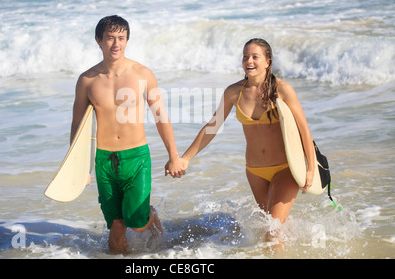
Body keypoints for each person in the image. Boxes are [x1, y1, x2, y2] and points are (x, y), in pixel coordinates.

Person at [173, 38, 315, 236]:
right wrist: (185, 158)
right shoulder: (234, 92)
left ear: (268, 62)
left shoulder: (282, 90)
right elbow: (212, 127)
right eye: (245, 56)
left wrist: (310, 167)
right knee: (272, 226)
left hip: (285, 168)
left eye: (255, 57)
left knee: (272, 231)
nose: (249, 61)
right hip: (255, 171)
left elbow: (303, 129)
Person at [71, 15, 185, 254]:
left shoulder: (142, 74)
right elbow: (78, 125)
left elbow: (160, 117)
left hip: (136, 158)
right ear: (98, 41)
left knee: (137, 223)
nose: (116, 44)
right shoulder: (87, 80)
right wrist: (80, 167)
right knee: (116, 229)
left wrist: (174, 156)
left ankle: (150, 217)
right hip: (104, 161)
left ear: (127, 40)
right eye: (110, 38)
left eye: (121, 38)